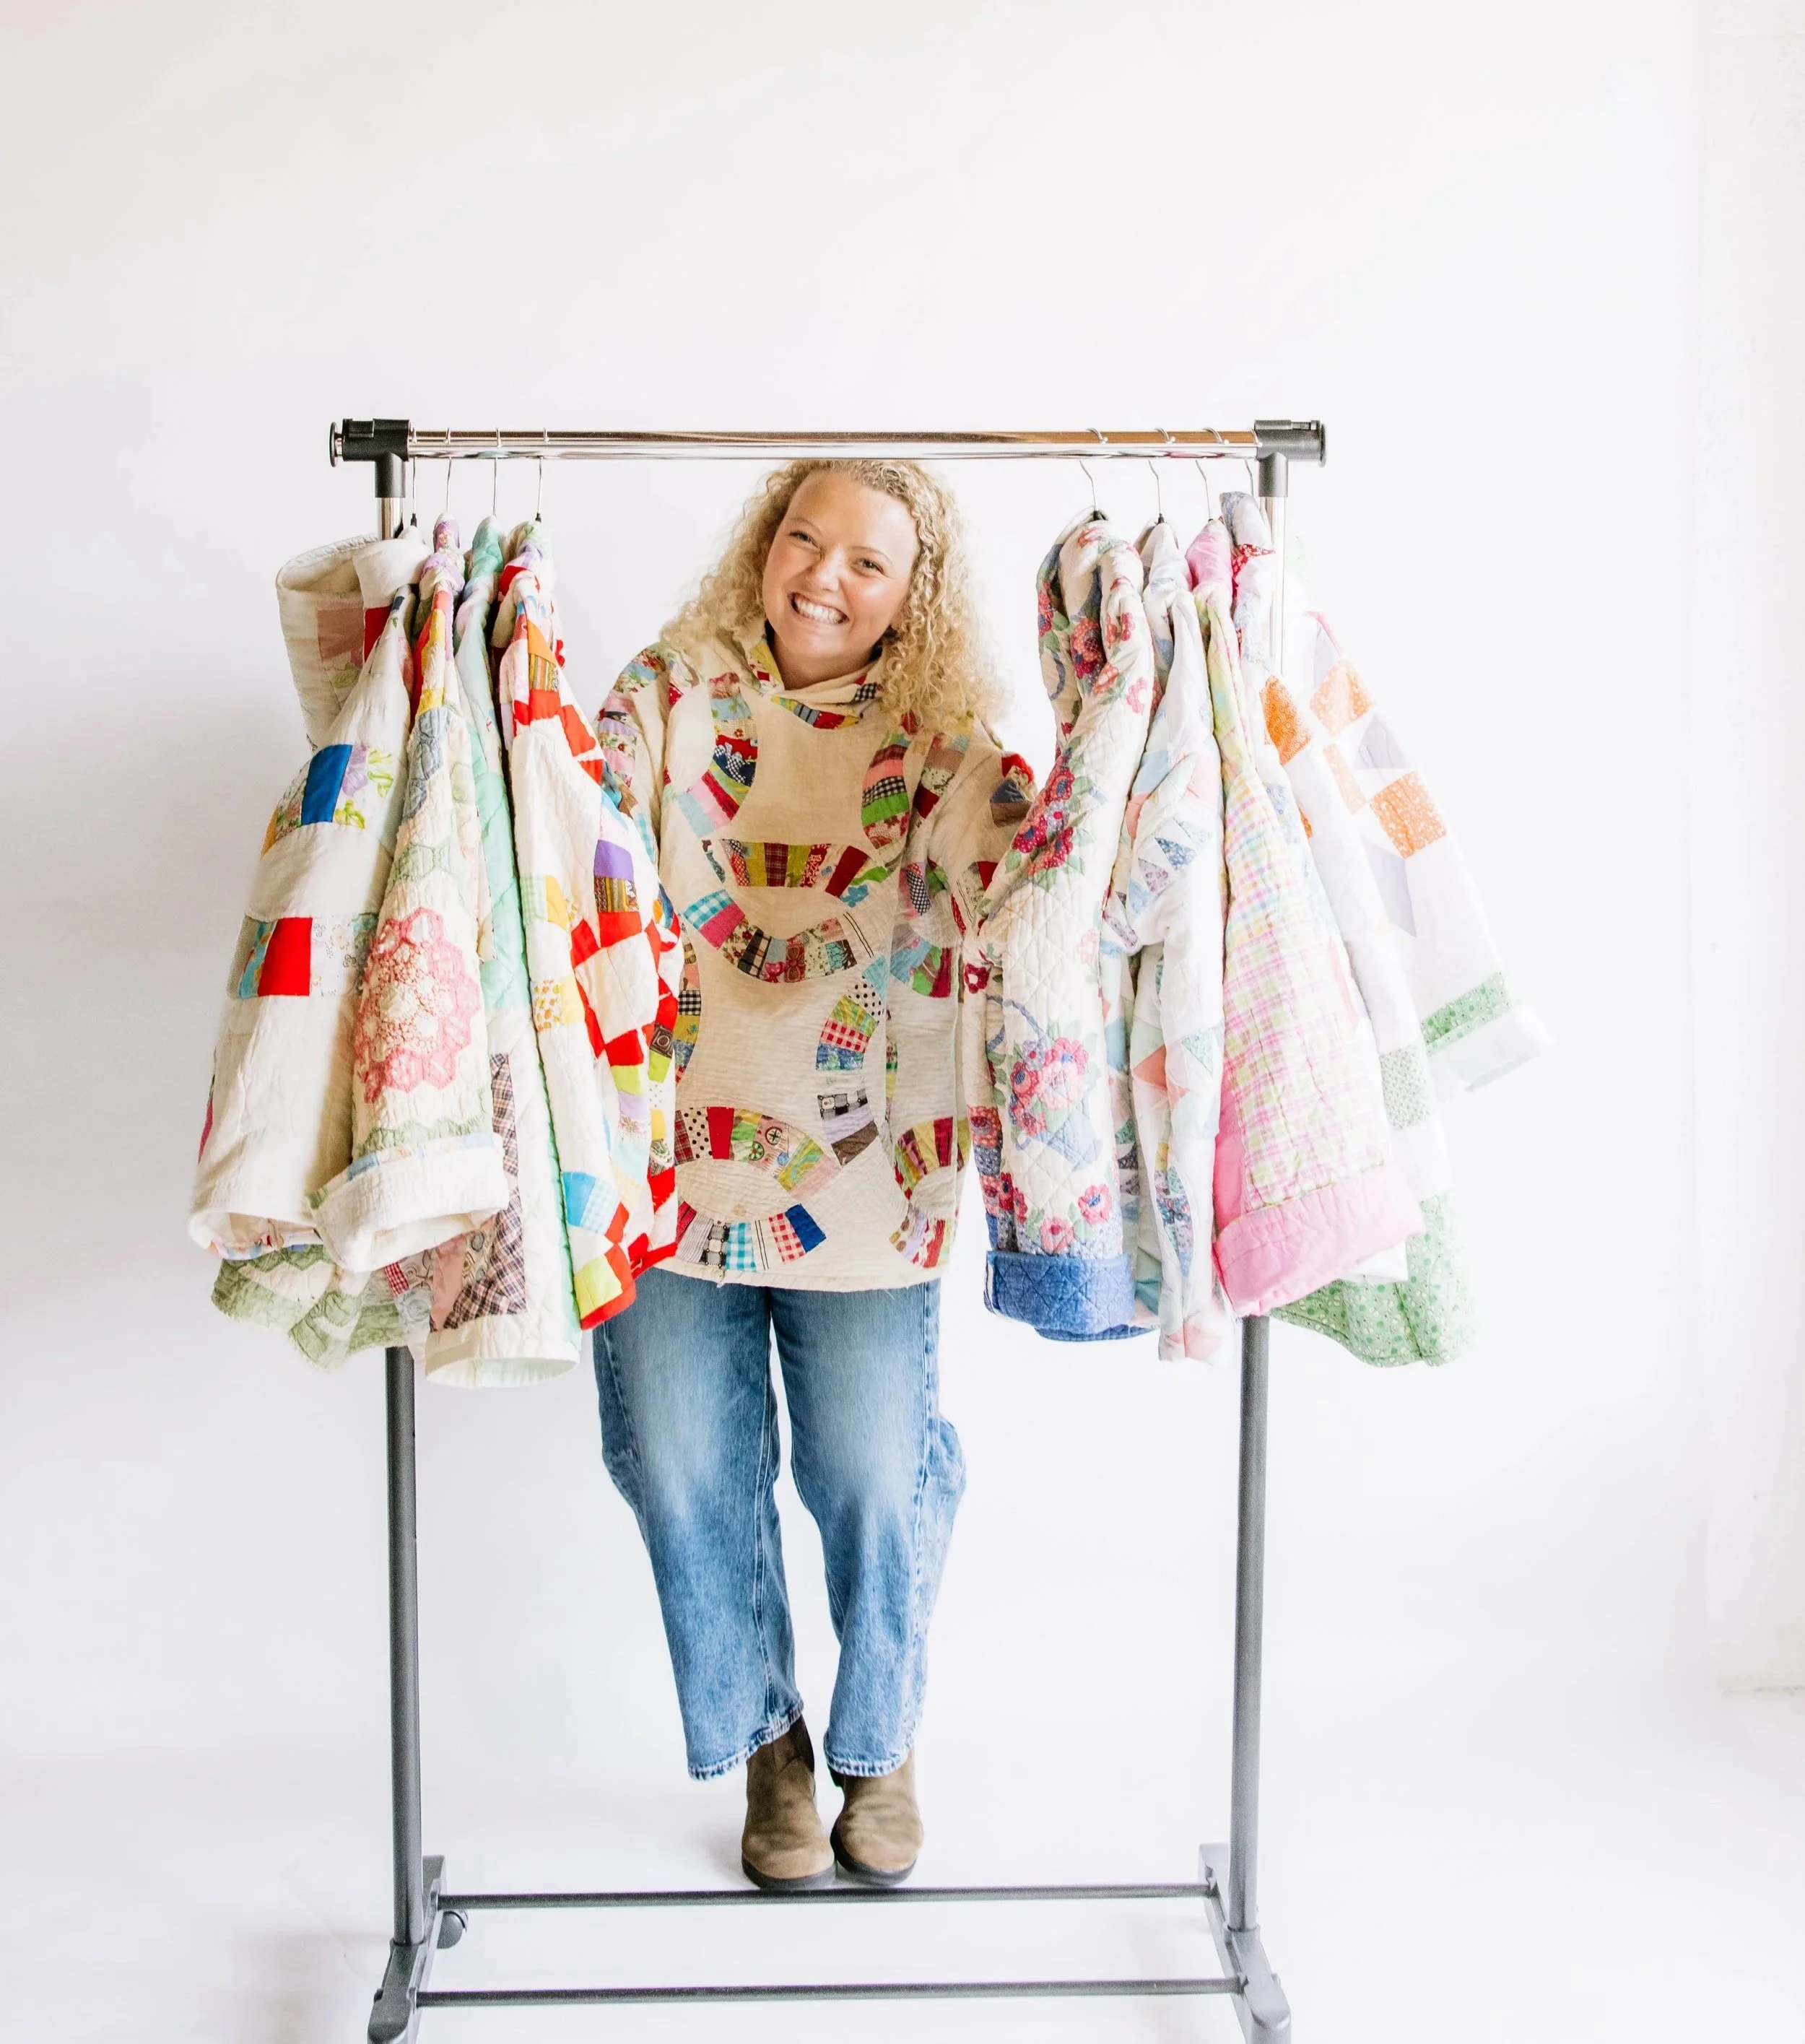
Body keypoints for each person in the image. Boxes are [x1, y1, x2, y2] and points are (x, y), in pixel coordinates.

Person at [591, 461, 1031, 1888]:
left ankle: (877, 1738)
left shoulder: (940, 739)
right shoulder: (666, 700)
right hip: (664, 1150)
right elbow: (574, 823)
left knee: (870, 1472)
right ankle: (771, 1739)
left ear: (915, 593)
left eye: (867, 561)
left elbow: (1014, 862)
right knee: (676, 1464)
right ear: (762, 545)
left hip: (867, 1167)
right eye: (804, 539)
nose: (823, 577)